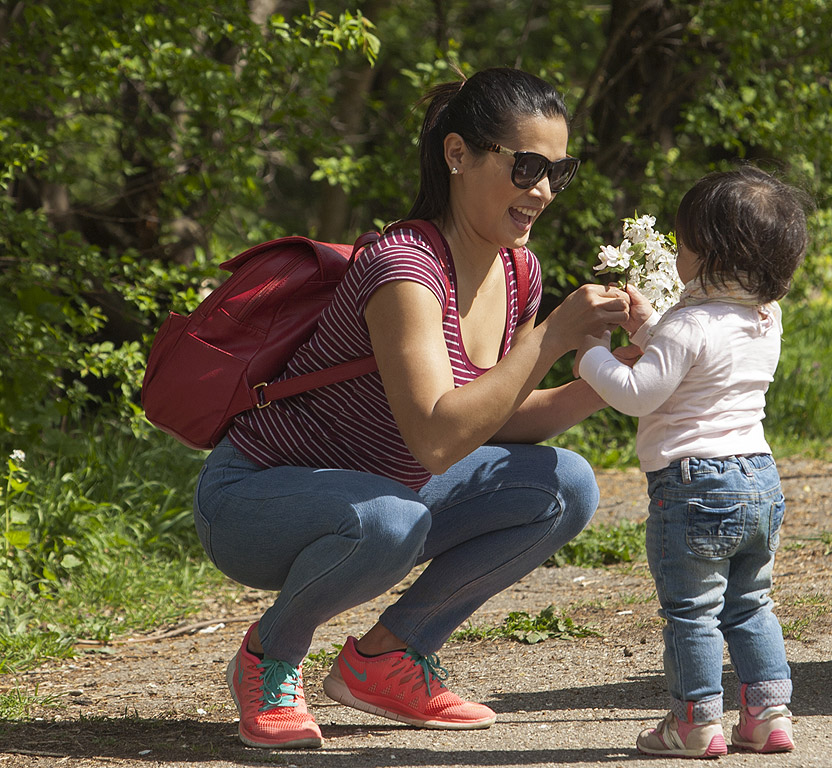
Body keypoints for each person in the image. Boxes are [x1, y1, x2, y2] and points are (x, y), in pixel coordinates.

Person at [193, 66, 630, 750]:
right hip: (253, 499)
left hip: (385, 498)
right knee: (394, 519)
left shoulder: (520, 270)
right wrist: (548, 340)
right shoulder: (405, 267)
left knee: (564, 484)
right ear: (458, 155)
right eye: (526, 166)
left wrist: (613, 380)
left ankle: (387, 657)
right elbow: (435, 437)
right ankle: (269, 656)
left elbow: (495, 417)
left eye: (558, 170)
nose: (542, 189)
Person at [575, 166, 811, 758]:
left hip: (693, 486)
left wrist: (589, 355)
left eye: (683, 245)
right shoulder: (764, 319)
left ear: (706, 255)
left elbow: (639, 394)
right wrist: (648, 323)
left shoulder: (686, 325)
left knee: (691, 612)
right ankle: (767, 715)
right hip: (759, 477)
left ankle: (695, 720)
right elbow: (704, 362)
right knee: (751, 602)